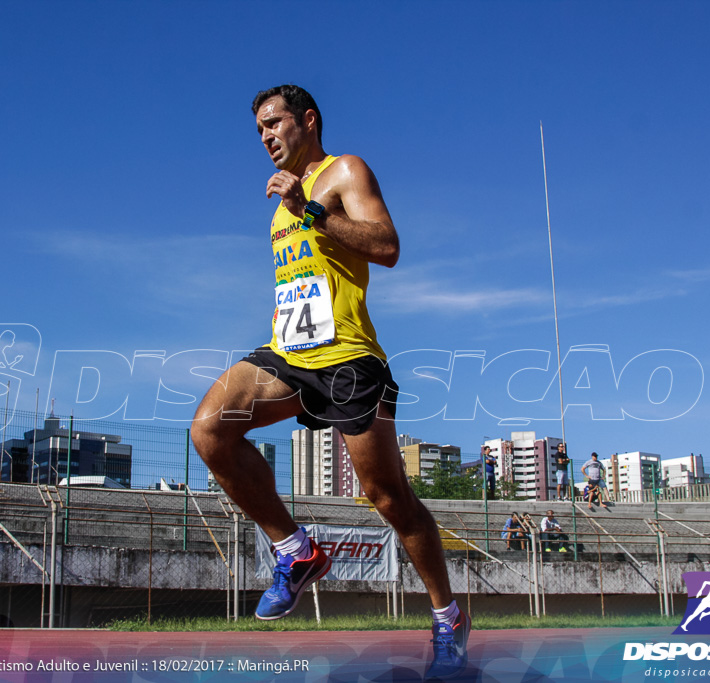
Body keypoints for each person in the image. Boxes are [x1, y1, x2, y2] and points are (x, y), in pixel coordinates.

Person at [190, 85, 468, 679]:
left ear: (307, 121)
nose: (266, 137)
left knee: (388, 497)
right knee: (211, 430)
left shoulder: (345, 171)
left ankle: (448, 616)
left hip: (347, 359)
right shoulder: (276, 208)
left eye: (274, 123)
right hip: (290, 354)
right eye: (259, 129)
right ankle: (296, 551)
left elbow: (387, 247)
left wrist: (312, 210)